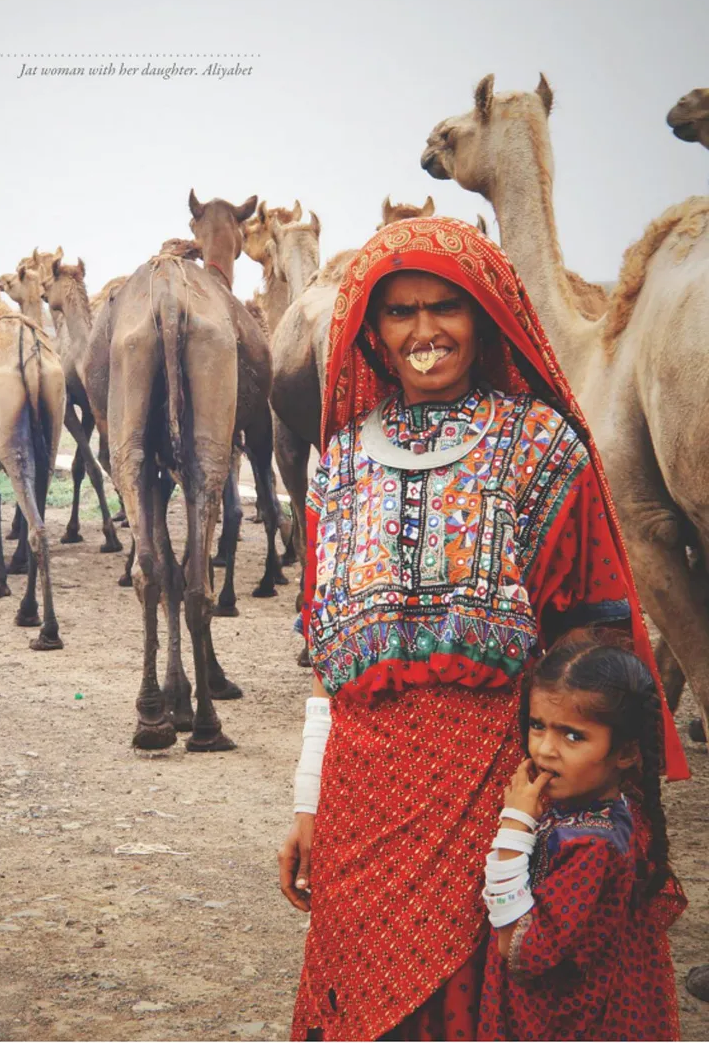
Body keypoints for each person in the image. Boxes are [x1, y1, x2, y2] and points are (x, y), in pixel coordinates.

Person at [277, 216, 689, 1042]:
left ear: (485, 316)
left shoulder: (543, 452)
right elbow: (328, 656)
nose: (424, 331)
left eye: (445, 307)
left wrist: (614, 813)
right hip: (361, 804)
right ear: (371, 332)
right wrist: (307, 803)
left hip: (497, 788)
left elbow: (600, 644)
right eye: (400, 312)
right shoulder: (340, 466)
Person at [478, 628, 686, 1041]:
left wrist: (514, 829)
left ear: (626, 752)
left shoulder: (591, 846)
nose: (545, 750)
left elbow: (518, 948)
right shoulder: (591, 808)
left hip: (560, 1023)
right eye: (538, 725)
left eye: (573, 735)